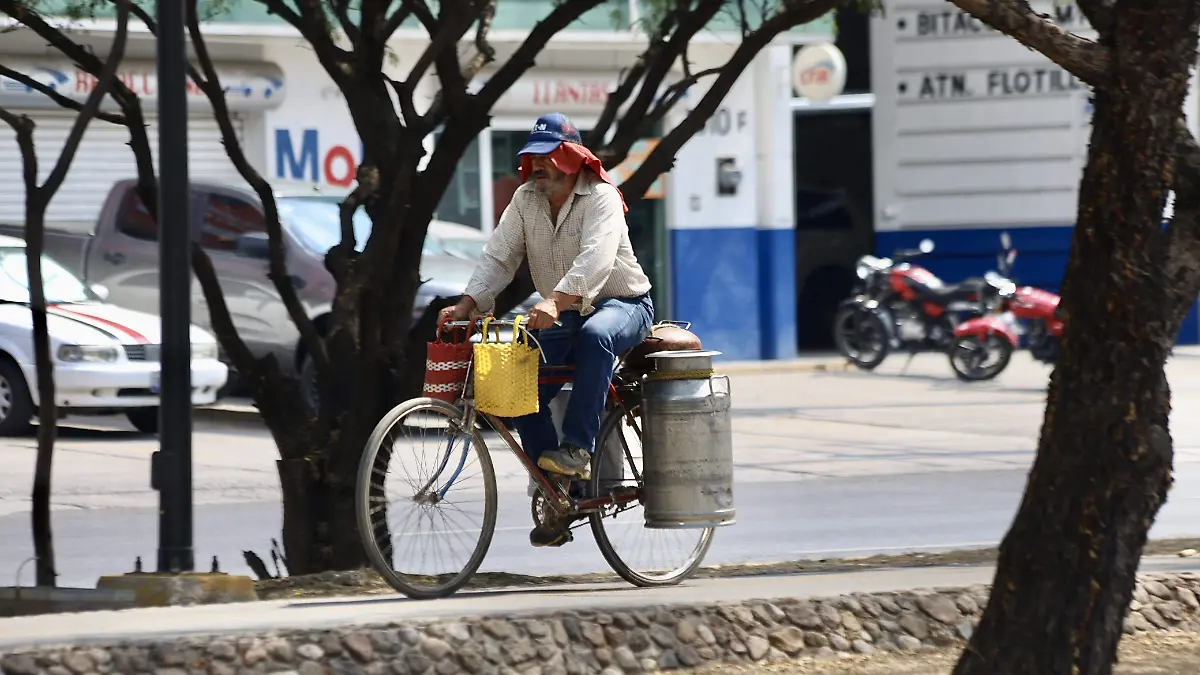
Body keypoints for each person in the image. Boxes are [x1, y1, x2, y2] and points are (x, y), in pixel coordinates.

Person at [439, 112, 654, 547]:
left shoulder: (601, 198)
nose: (539, 167)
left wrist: (556, 301)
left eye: (548, 157)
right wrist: (467, 303)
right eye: (532, 159)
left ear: (571, 159)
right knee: (512, 389)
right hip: (566, 314)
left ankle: (576, 450)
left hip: (623, 304)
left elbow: (596, 259)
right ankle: (557, 494)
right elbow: (499, 257)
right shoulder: (526, 200)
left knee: (597, 336)